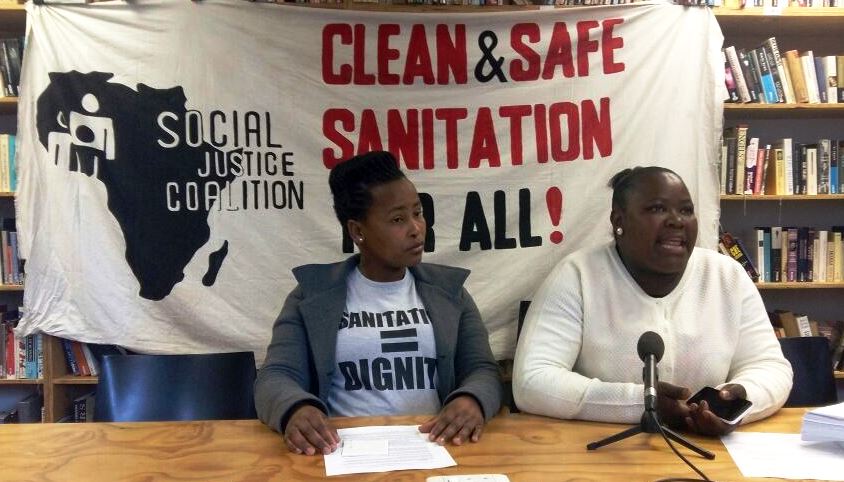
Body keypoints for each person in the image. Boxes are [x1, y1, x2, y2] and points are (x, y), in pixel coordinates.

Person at [512, 166, 792, 436]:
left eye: (686, 210)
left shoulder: (726, 276)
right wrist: (641, 403)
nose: (676, 220)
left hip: (713, 453)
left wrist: (738, 402)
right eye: (657, 208)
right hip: (603, 456)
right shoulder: (577, 276)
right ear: (618, 221)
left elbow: (771, 368)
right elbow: (533, 382)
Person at [255, 151, 501, 455]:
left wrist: (471, 399)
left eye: (418, 212)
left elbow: (482, 370)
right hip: (340, 452)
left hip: (432, 447)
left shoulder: (450, 293)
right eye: (398, 219)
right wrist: (296, 409)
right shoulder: (311, 295)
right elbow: (276, 375)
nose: (416, 228)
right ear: (358, 231)